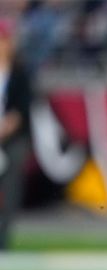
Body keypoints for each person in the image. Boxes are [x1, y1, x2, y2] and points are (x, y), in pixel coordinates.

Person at [0, 18, 32, 250]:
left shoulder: (20, 72)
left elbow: (23, 108)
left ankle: (3, 238)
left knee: (9, 191)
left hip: (12, 139)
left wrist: (7, 126)